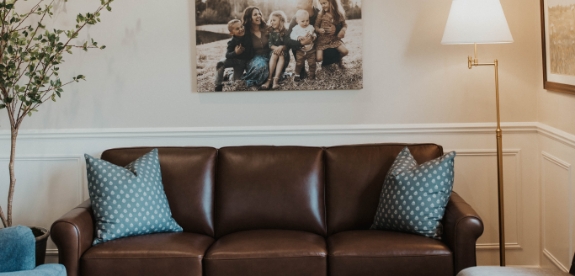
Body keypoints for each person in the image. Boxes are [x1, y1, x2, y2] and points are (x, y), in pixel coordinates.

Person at [285, 0, 341, 79]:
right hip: (303, 48)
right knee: (294, 42)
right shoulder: (297, 18)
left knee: (332, 46)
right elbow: (287, 38)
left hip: (320, 44)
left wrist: (336, 28)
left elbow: (339, 23)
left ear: (309, 2)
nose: (297, 6)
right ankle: (301, 70)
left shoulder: (321, 13)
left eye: (300, 3)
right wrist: (301, 43)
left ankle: (327, 64)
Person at [213, 19, 252, 92]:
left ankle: (229, 74)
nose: (241, 29)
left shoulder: (248, 38)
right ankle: (218, 85)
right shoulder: (231, 42)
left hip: (242, 63)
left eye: (241, 26)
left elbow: (249, 53)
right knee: (220, 63)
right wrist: (235, 53)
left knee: (235, 82)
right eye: (237, 29)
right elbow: (227, 55)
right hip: (233, 60)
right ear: (231, 33)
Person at [241, 7, 271, 89]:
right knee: (262, 66)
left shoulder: (267, 28)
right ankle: (250, 82)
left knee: (274, 67)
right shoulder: (245, 32)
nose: (259, 16)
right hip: (254, 58)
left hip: (269, 55)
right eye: (255, 14)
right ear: (249, 18)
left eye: (259, 13)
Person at [315, 0, 349, 66]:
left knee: (345, 51)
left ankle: (338, 59)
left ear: (332, 2)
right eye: (321, 4)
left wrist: (343, 30)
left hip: (333, 39)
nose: (322, 5)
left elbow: (344, 25)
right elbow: (316, 26)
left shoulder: (338, 14)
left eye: (324, 3)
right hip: (322, 41)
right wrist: (319, 30)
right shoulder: (321, 14)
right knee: (319, 58)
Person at [262, 10, 289, 90]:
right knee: (275, 54)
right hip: (273, 53)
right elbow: (270, 45)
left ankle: (275, 80)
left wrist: (281, 48)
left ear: (281, 21)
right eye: (271, 20)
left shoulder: (286, 32)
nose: (272, 22)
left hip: (284, 55)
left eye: (274, 20)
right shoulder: (271, 32)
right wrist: (277, 48)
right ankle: (269, 79)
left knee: (281, 55)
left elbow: (288, 45)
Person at [290, 10, 317, 81]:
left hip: (310, 50)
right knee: (299, 63)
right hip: (300, 50)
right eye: (303, 21)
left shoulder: (310, 27)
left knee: (312, 63)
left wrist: (314, 36)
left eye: (307, 20)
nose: (305, 23)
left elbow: (314, 33)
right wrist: (298, 37)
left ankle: (312, 75)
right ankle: (297, 75)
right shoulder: (296, 28)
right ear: (297, 21)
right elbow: (292, 36)